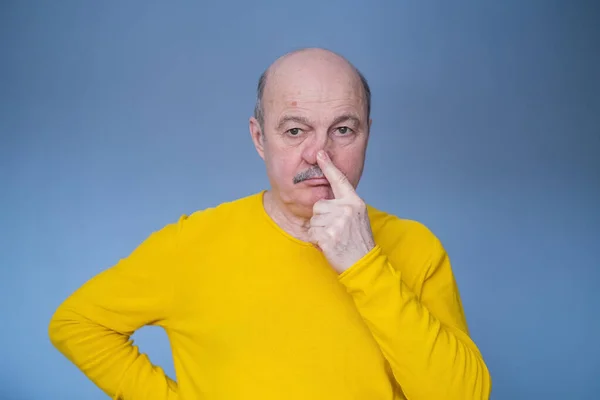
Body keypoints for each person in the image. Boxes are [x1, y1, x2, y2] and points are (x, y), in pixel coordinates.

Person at [49, 48, 491, 400]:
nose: (320, 155)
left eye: (343, 130)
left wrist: (367, 266)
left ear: (367, 135)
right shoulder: (194, 244)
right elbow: (76, 323)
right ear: (260, 139)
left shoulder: (415, 246)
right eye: (295, 131)